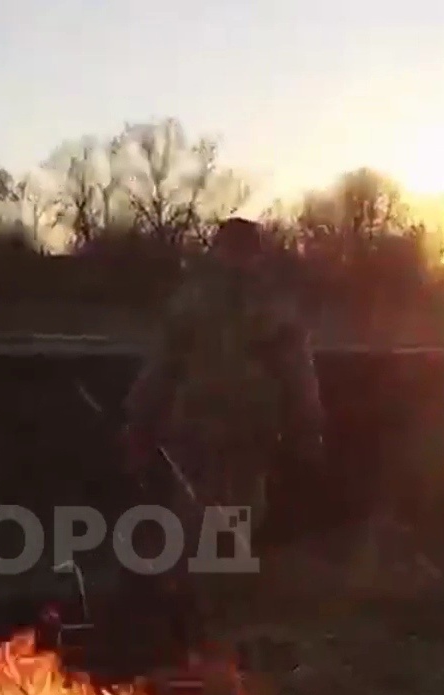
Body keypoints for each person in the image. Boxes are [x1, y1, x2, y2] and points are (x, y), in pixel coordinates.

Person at [120, 217, 326, 659]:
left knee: (203, 529)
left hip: (220, 434)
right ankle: (203, 632)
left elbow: (161, 368)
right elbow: (298, 376)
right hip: (220, 434)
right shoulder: (264, 306)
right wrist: (307, 427)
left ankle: (197, 631)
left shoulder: (198, 301)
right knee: (216, 530)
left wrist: (140, 420)